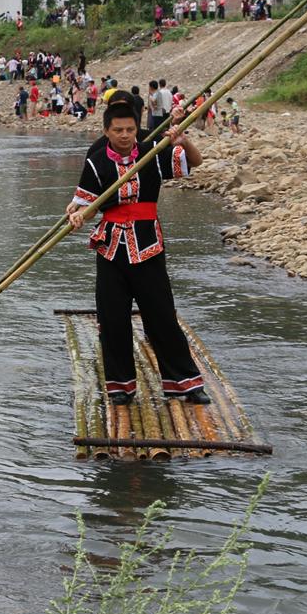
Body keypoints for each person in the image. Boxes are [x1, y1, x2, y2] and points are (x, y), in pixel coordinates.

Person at [66, 96, 210, 406]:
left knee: (161, 316)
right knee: (113, 319)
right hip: (111, 249)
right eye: (118, 130)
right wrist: (78, 213)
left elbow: (193, 163)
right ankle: (120, 387)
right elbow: (87, 202)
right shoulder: (96, 159)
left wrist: (183, 141)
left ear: (136, 128)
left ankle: (184, 383)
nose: (124, 135)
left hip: (148, 245)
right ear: (107, 130)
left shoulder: (152, 152)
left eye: (129, 129)